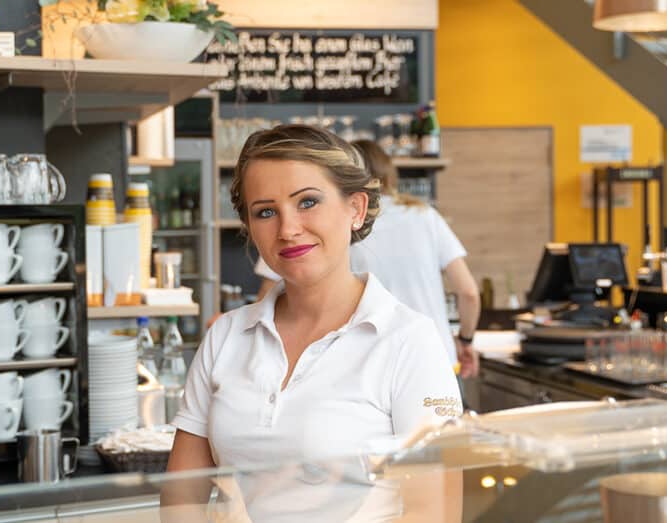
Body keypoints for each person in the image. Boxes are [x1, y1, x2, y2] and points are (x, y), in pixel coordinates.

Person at [164, 125, 462, 521]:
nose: (287, 229)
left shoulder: (409, 341)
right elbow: (182, 498)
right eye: (266, 212)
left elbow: (434, 514)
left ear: (355, 209)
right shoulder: (226, 336)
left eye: (307, 202)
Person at [254, 140, 481, 378]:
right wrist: (465, 340)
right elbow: (469, 292)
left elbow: (265, 303)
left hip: (362, 364)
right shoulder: (425, 215)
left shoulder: (332, 219)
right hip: (436, 356)